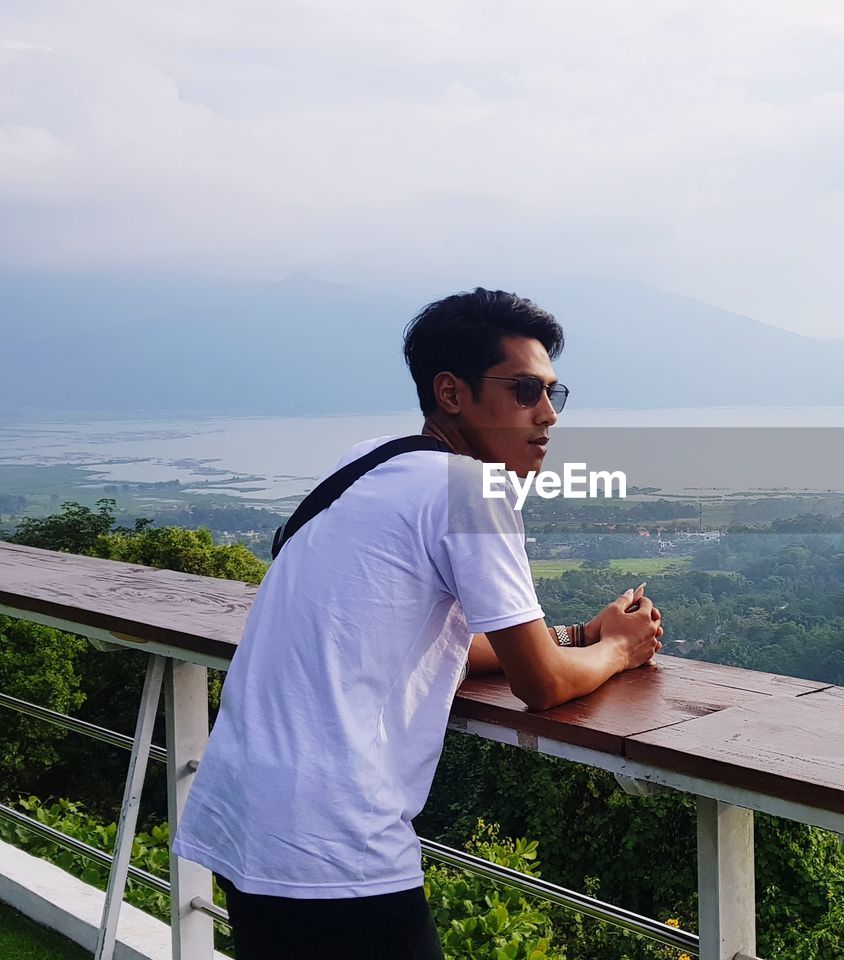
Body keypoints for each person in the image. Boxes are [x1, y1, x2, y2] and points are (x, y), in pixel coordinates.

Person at [171, 288, 664, 959]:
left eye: (554, 392)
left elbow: (429, 647)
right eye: (525, 390)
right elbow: (542, 687)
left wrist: (578, 634)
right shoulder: (470, 490)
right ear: (452, 393)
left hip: (244, 815)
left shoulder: (368, 462)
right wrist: (618, 651)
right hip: (334, 845)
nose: (547, 414)